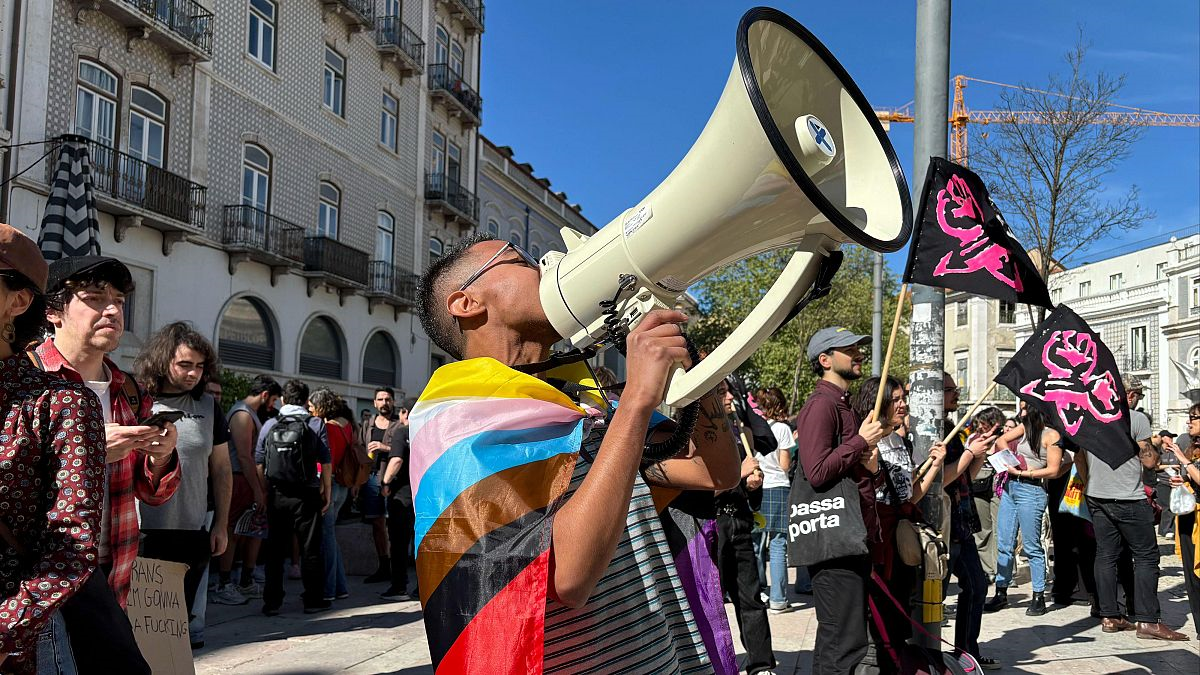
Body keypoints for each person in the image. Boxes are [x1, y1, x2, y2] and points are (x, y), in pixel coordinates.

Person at [412, 236, 740, 670]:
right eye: (521, 259)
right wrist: (639, 398)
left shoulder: (584, 406)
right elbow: (570, 576)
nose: (547, 268)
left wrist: (694, 373)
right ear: (467, 302)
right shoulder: (458, 425)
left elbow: (716, 474)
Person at [34, 255, 182, 673]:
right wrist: (92, 450)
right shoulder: (24, 380)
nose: (113, 310)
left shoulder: (130, 391)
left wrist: (162, 455)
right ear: (52, 311)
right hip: (38, 585)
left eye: (118, 300)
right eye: (96, 298)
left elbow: (155, 493)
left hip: (111, 577)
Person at [0, 227, 109, 674]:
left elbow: (71, 547)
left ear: (18, 301)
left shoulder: (62, 403)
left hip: (21, 643)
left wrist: (6, 627)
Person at [793, 327, 887, 675]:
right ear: (825, 360)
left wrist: (871, 464)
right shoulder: (821, 406)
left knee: (845, 640)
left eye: (859, 347)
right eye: (848, 349)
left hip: (851, 536)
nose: (858, 353)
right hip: (834, 540)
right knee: (841, 644)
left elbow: (850, 471)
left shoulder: (841, 405)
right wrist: (859, 442)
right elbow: (816, 471)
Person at [132, 322, 231, 647]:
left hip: (191, 531)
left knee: (178, 634)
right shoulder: (137, 402)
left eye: (200, 366)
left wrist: (221, 524)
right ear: (163, 361)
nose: (194, 374)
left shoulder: (208, 406)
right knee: (141, 635)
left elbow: (221, 470)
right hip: (142, 533)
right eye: (185, 365)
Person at [1074, 386, 1189, 641]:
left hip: (1097, 495)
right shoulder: (1135, 418)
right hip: (1129, 496)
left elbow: (1079, 458)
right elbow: (1149, 461)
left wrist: (1090, 484)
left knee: (1105, 555)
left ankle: (1110, 615)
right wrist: (1151, 447)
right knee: (1147, 557)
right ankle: (1148, 621)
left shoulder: (1089, 416)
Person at [850, 376, 948, 673]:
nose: (903, 404)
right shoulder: (866, 440)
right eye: (895, 399)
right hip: (875, 540)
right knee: (877, 612)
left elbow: (909, 496)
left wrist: (935, 465)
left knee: (897, 611)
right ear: (878, 403)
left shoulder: (900, 441)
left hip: (899, 540)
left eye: (903, 397)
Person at [715, 378, 778, 674]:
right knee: (709, 600)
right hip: (710, 526)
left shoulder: (739, 433)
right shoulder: (693, 433)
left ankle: (761, 664)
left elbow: (751, 494)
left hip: (738, 521)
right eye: (722, 392)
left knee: (750, 597)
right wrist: (735, 475)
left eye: (728, 391)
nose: (730, 398)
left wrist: (754, 484)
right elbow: (689, 490)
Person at [255, 379, 332, 615]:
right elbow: (326, 461)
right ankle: (313, 600)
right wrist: (326, 491)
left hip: (277, 494)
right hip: (307, 493)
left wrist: (265, 488)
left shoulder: (270, 424)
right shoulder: (315, 423)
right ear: (307, 401)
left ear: (284, 400)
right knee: (310, 547)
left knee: (275, 550)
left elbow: (259, 460)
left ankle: (272, 602)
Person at [938, 374, 997, 669]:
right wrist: (969, 455)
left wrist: (976, 455)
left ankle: (966, 651)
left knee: (977, 586)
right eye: (950, 390)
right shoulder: (931, 430)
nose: (956, 394)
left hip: (962, 522)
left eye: (955, 389)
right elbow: (938, 480)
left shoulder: (952, 427)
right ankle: (932, 653)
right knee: (935, 595)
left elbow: (964, 478)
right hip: (942, 527)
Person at [983, 408, 1063, 616]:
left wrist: (1025, 471)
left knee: (1031, 546)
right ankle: (1001, 592)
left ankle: (1038, 595)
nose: (1022, 411)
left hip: (1032, 489)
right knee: (1005, 542)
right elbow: (1000, 441)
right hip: (1011, 487)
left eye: (1026, 407)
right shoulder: (1023, 428)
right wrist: (1011, 461)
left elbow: (1054, 469)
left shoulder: (1051, 435)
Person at [213, 375, 281, 605]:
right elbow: (244, 456)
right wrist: (256, 488)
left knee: (249, 531)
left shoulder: (249, 414)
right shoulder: (242, 415)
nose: (272, 406)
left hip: (247, 480)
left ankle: (244, 580)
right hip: (238, 479)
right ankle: (224, 584)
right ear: (264, 395)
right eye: (272, 400)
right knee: (232, 531)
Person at [753, 387, 797, 613]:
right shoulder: (782, 429)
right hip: (779, 486)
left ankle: (759, 590)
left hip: (758, 486)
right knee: (778, 543)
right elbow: (785, 465)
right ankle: (778, 599)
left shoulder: (756, 429)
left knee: (757, 543)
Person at [308, 388, 352, 603]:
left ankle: (329, 589)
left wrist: (323, 489)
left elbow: (327, 462)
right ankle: (340, 586)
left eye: (312, 406)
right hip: (342, 485)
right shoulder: (346, 424)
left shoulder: (327, 428)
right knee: (330, 537)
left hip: (329, 484)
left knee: (327, 539)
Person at [356, 387, 402, 584]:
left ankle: (397, 565)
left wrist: (386, 447)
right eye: (380, 399)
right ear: (374, 403)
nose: (384, 403)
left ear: (393, 401)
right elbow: (357, 449)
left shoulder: (399, 424)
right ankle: (383, 565)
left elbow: (405, 449)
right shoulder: (367, 424)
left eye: (388, 399)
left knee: (394, 523)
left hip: (392, 480)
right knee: (376, 523)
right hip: (370, 478)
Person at [1163, 403, 1200, 639]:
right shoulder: (1191, 445)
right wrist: (1180, 479)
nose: (1189, 422)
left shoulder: (1185, 451)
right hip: (1188, 516)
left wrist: (1183, 461)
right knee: (1191, 575)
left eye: (1194, 417)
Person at [380, 397, 417, 601]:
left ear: (405, 413)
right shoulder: (427, 432)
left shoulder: (402, 432)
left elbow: (396, 460)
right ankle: (422, 587)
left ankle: (399, 585)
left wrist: (385, 482)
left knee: (399, 543)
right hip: (423, 496)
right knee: (420, 544)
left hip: (402, 496)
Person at [1155, 429, 1179, 539]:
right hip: (1162, 482)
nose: (1171, 439)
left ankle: (1169, 529)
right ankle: (1165, 530)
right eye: (1169, 437)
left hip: (1174, 482)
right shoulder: (1158, 452)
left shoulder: (1174, 451)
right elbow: (1155, 467)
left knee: (1173, 506)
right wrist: (1170, 467)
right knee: (1166, 507)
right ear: (1163, 438)